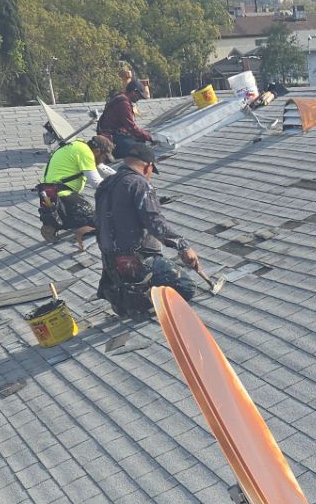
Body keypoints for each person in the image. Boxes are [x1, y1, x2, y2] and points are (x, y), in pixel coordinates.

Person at [95, 134, 204, 320]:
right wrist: (183, 247)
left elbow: (99, 223)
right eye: (151, 171)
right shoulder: (139, 183)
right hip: (139, 259)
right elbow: (155, 222)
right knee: (186, 288)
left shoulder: (105, 185)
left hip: (111, 263)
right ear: (148, 166)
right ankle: (140, 300)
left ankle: (127, 296)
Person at [36, 132, 111, 248]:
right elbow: (96, 182)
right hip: (62, 195)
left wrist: (119, 176)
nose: (103, 161)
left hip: (48, 195)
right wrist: (116, 187)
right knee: (100, 222)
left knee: (76, 211)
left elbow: (103, 169)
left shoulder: (78, 146)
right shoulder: (86, 153)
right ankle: (75, 225)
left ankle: (53, 224)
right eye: (104, 158)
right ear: (97, 151)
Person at [97, 65, 148, 143]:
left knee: (138, 140)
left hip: (110, 134)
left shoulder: (119, 98)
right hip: (111, 136)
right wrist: (148, 136)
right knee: (139, 147)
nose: (139, 99)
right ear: (134, 92)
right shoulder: (124, 103)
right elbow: (131, 127)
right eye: (139, 96)